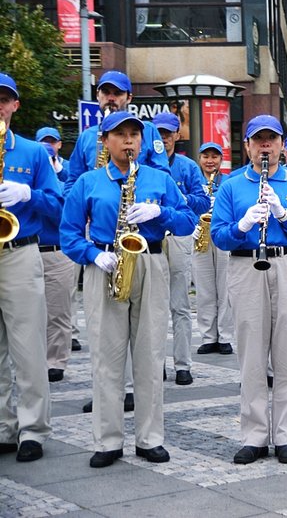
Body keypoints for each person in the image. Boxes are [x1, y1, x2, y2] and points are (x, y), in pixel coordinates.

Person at [61, 110, 196, 468]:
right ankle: (107, 439)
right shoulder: (89, 181)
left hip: (149, 261)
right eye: (119, 135)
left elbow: (187, 221)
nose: (129, 141)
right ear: (104, 141)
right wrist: (92, 254)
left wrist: (160, 214)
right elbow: (69, 233)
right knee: (106, 356)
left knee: (150, 353)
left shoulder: (158, 177)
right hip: (105, 262)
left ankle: (150, 438)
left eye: (134, 134)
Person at [210, 115, 287, 465]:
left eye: (271, 139)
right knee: (252, 355)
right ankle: (255, 435)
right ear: (248, 146)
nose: (265, 146)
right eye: (259, 140)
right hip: (245, 264)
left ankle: (286, 434)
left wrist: (283, 214)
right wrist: (243, 225)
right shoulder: (231, 185)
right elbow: (219, 235)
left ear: (282, 145)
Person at [0, 72, 62, 462]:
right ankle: (3, 427)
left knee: (28, 347)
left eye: (4, 99)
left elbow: (58, 207)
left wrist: (28, 193)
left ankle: (33, 429)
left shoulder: (32, 152)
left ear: (15, 105)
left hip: (20, 251)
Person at [153, 112, 209, 386]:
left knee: (180, 304)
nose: (163, 137)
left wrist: (178, 198)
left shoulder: (187, 167)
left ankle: (183, 364)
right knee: (152, 306)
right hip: (150, 238)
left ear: (177, 135)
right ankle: (156, 363)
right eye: (158, 132)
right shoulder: (145, 164)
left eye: (168, 132)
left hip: (178, 236)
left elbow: (202, 201)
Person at [65, 71, 170, 195]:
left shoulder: (148, 130)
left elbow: (162, 175)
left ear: (129, 98)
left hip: (137, 205)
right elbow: (72, 182)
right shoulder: (86, 136)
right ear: (97, 95)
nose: (110, 98)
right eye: (106, 92)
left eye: (118, 93)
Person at [38, 138, 76, 384]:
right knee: (29, 313)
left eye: (50, 159)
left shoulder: (63, 184)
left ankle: (56, 361)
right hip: (26, 250)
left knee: (58, 311)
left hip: (56, 251)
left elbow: (62, 214)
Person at [193, 142, 234, 356]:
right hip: (199, 235)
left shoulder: (228, 181)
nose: (210, 161)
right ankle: (208, 337)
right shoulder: (194, 181)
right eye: (206, 156)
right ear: (199, 159)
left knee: (225, 288)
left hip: (222, 235)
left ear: (221, 160)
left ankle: (225, 336)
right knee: (204, 288)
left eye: (214, 157)